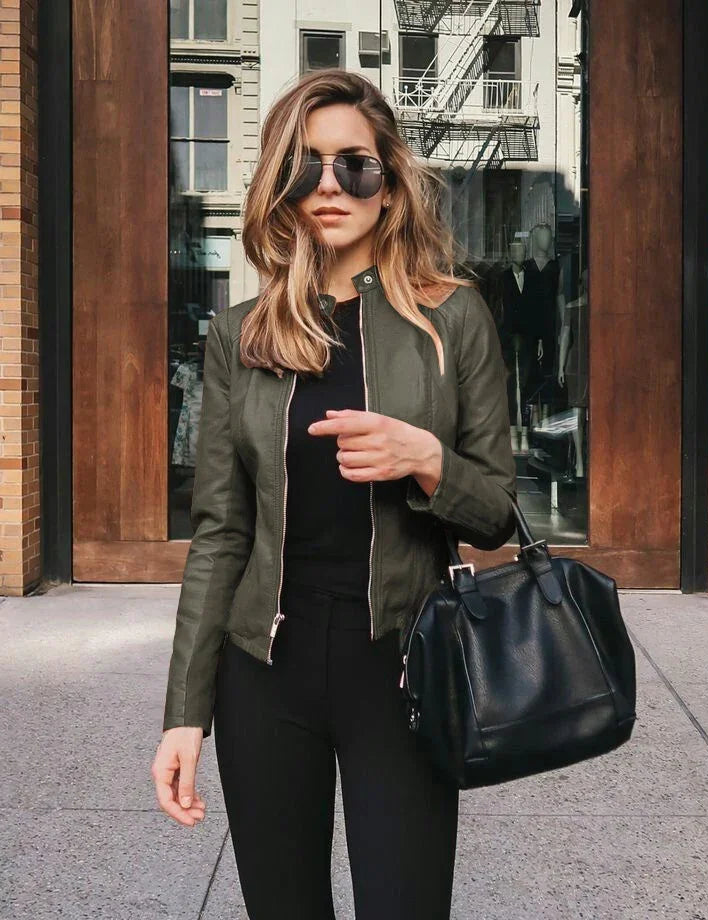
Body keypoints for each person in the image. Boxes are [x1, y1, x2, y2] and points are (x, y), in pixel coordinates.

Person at [151, 68, 517, 920]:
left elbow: (497, 510)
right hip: (263, 673)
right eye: (305, 167)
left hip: (403, 666)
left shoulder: (452, 318)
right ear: (280, 186)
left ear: (388, 186)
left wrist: (428, 459)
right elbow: (220, 534)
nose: (328, 186)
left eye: (352, 165)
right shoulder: (242, 332)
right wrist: (183, 717)